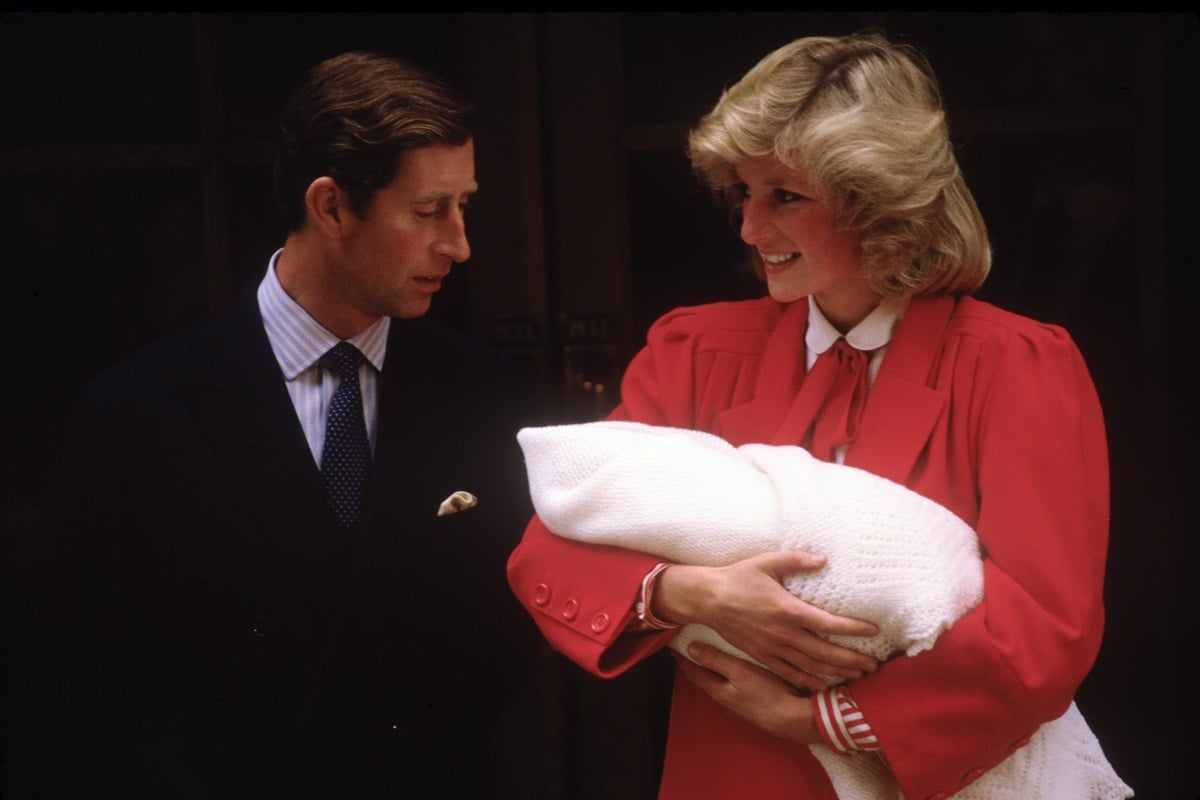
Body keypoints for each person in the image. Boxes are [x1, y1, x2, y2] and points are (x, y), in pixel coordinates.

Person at [507, 31, 1113, 800]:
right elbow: (548, 548)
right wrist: (692, 593)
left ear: (878, 196)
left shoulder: (1017, 366)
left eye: (785, 196)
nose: (750, 229)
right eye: (743, 194)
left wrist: (825, 717)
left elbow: (1047, 633)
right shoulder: (693, 350)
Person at [8, 51, 540, 798]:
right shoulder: (136, 411)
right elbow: (72, 690)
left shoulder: (491, 396)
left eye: (464, 206)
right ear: (330, 207)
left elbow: (508, 643)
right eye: (428, 212)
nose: (459, 243)